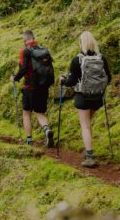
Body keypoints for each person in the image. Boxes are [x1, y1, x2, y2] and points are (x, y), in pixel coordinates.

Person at [60, 31, 112, 168]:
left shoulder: (77, 59)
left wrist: (63, 80)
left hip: (83, 97)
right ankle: (87, 149)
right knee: (88, 124)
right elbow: (109, 78)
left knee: (85, 126)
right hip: (97, 98)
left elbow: (71, 81)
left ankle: (89, 156)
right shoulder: (101, 58)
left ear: (81, 43)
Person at [9, 30, 55, 148]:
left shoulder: (25, 51)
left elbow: (23, 69)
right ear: (34, 38)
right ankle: (47, 130)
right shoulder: (43, 50)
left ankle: (29, 141)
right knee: (40, 113)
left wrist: (15, 78)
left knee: (26, 113)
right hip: (43, 86)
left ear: (25, 41)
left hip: (30, 87)